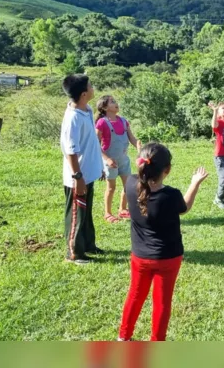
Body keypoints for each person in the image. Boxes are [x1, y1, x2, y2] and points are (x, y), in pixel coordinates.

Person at [118, 143, 208, 341]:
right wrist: (195, 183)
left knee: (135, 295)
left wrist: (121, 207)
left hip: (140, 256)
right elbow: (184, 208)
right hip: (168, 258)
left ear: (140, 163)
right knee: (162, 302)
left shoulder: (130, 183)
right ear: (167, 170)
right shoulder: (170, 195)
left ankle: (123, 337)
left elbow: (128, 192)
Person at [60, 74, 103, 265]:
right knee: (77, 213)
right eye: (91, 86)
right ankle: (74, 253)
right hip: (78, 176)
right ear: (84, 93)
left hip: (90, 172)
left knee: (87, 212)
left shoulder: (87, 109)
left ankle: (88, 245)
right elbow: (71, 151)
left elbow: (91, 142)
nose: (94, 88)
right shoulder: (73, 118)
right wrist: (78, 177)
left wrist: (99, 167)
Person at [94, 95, 141, 223]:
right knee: (111, 187)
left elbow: (132, 138)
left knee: (128, 186)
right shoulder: (102, 122)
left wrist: (138, 145)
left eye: (115, 101)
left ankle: (123, 209)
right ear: (104, 107)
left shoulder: (124, 121)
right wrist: (107, 159)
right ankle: (108, 213)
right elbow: (95, 144)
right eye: (112, 102)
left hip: (124, 160)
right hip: (110, 162)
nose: (116, 103)